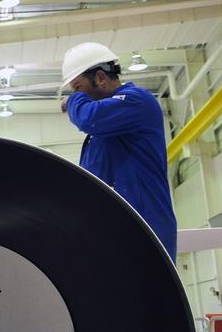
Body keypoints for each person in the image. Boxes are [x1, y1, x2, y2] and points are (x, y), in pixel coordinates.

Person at [60, 42, 178, 261]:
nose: (77, 94)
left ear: (101, 78)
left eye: (78, 87)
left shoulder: (137, 101)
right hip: (114, 228)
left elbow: (89, 117)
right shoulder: (103, 135)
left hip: (144, 224)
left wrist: (73, 99)